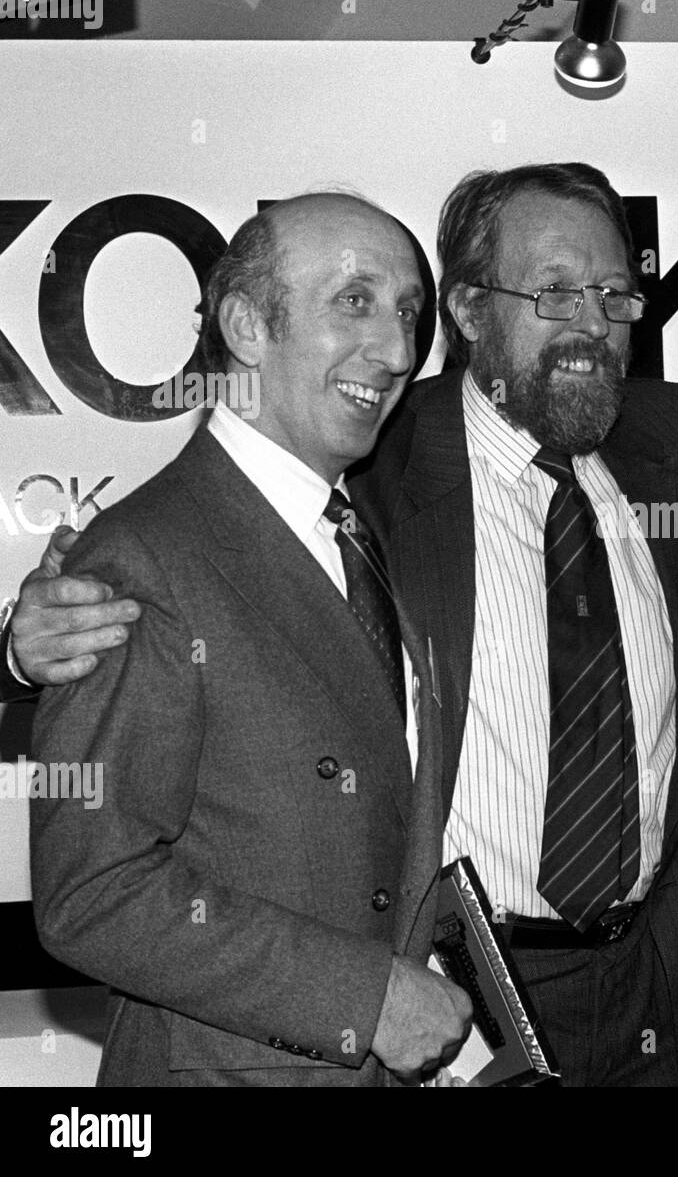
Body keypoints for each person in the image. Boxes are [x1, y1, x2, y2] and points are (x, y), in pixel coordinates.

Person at [5, 164, 678, 1087]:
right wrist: (23, 651)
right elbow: (94, 881)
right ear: (471, 312)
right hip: (430, 999)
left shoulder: (672, 446)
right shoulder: (381, 467)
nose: (391, 349)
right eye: (551, 291)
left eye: (613, 292)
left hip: (635, 1004)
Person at [24, 192, 473, 1086]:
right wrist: (366, 998)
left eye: (409, 315)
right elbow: (91, 892)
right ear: (244, 324)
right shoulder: (141, 558)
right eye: (355, 301)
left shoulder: (358, 529)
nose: (393, 352)